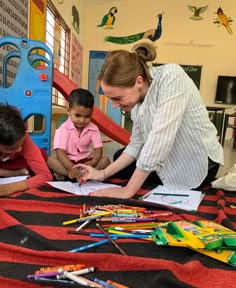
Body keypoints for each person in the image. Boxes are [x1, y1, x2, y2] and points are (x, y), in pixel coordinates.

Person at [74, 42, 224, 198]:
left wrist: (127, 191)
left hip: (199, 163)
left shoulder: (172, 77)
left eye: (117, 98)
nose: (114, 104)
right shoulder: (138, 102)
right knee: (121, 156)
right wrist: (102, 173)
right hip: (171, 155)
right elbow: (137, 143)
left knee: (135, 167)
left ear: (139, 81)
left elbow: (160, 139)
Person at [47, 88, 110, 181]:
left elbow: (98, 149)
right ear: (68, 111)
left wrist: (93, 162)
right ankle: (74, 174)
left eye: (87, 116)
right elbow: (60, 152)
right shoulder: (63, 129)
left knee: (105, 160)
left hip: (86, 162)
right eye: (78, 116)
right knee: (50, 161)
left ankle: (73, 175)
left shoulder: (94, 128)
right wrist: (70, 168)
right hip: (67, 162)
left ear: (91, 113)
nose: (82, 120)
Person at [0, 104, 53, 197]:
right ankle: (12, 173)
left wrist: (10, 188)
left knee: (42, 155)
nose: (19, 149)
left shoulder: (22, 136)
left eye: (22, 143)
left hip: (14, 162)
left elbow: (45, 176)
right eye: (11, 148)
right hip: (7, 165)